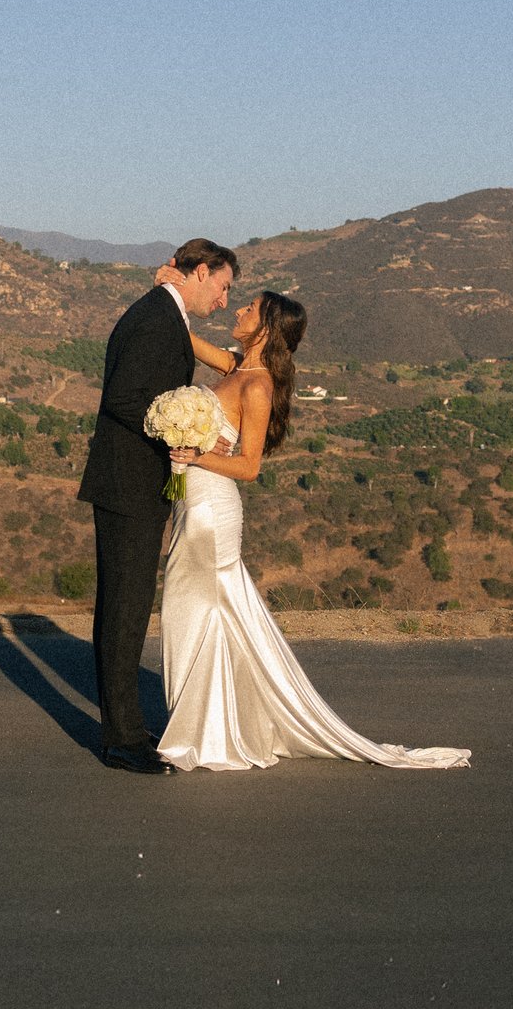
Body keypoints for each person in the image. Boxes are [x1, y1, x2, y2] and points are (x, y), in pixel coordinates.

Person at [155, 288, 471, 772]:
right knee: (197, 614)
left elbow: (250, 467)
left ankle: (206, 733)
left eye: (249, 309)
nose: (238, 310)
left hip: (212, 511)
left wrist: (199, 454)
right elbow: (185, 335)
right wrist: (169, 293)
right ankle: (212, 725)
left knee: (199, 612)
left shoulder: (256, 385)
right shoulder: (236, 366)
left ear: (265, 328)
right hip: (191, 501)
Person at [73, 238, 236, 774]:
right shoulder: (153, 318)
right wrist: (174, 431)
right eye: (223, 286)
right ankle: (121, 739)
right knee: (123, 608)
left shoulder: (164, 314)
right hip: (127, 484)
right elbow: (122, 398)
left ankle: (124, 724)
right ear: (202, 271)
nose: (225, 299)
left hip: (134, 484)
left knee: (129, 605)